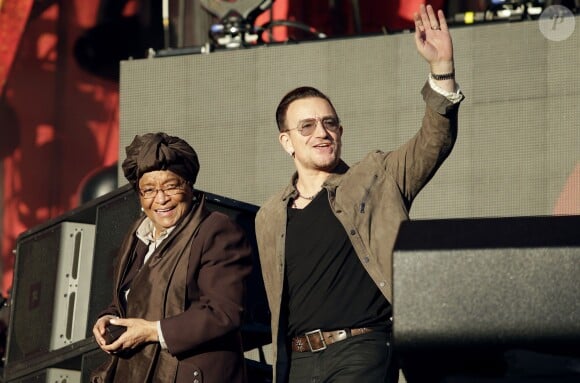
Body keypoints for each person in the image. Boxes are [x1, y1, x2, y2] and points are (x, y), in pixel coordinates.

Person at [255, 4, 464, 383]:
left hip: (362, 348)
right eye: (307, 126)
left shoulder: (377, 175)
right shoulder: (270, 214)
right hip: (297, 361)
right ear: (286, 142)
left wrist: (442, 69)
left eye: (329, 122)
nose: (322, 132)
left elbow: (435, 140)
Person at [91, 132, 253, 383]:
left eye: (170, 186)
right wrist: (108, 318)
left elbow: (224, 312)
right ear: (139, 196)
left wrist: (152, 331)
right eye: (149, 190)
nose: (161, 199)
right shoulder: (137, 236)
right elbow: (133, 297)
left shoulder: (215, 231)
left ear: (189, 185)